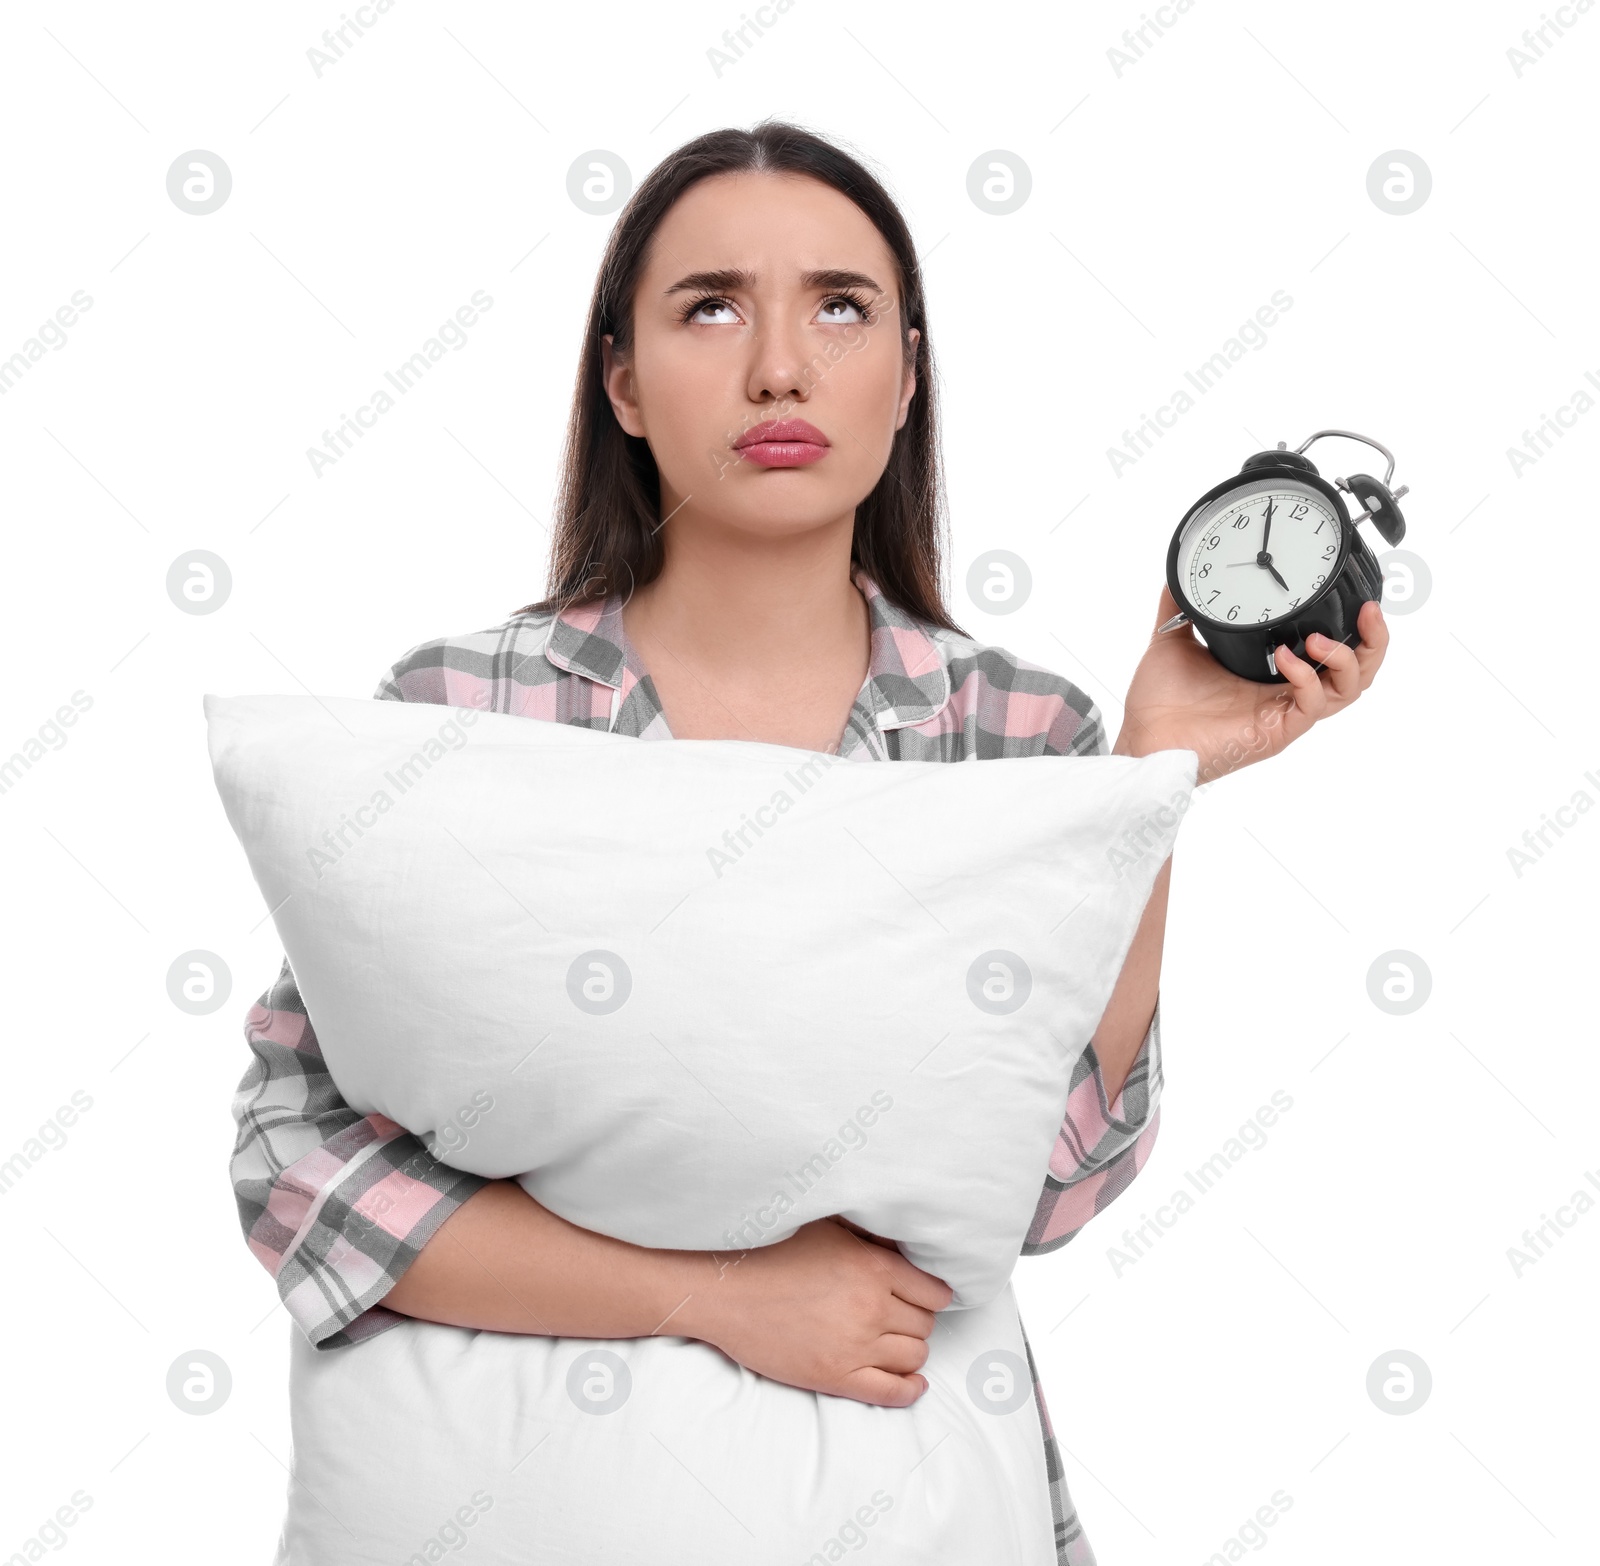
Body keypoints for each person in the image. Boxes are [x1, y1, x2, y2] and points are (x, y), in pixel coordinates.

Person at [231, 118, 1387, 1564]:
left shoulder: (1017, 733)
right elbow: (299, 1165)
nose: (780, 366)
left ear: (906, 377)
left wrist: (1149, 776)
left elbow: (1052, 1183)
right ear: (621, 383)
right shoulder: (464, 709)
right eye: (710, 306)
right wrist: (717, 1293)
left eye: (841, 308)